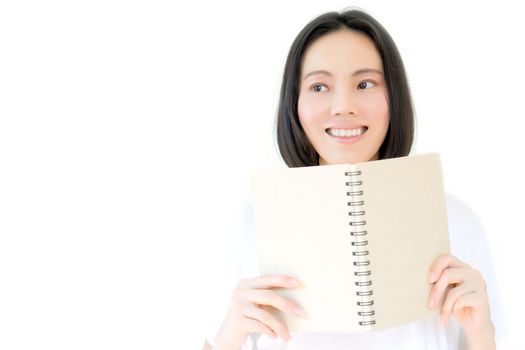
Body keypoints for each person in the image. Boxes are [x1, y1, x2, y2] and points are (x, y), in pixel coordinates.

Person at [203, 8, 504, 350]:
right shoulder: (250, 219)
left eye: (365, 84)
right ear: (294, 105)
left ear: (393, 97)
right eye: (319, 86)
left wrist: (482, 335)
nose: (343, 106)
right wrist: (229, 334)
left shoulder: (456, 221)